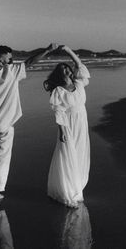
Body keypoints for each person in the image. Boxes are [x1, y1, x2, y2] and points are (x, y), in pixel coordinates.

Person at [0, 43, 58, 200]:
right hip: (5, 124)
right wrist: (48, 50)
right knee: (3, 157)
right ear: (1, 57)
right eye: (9, 57)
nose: (12, 59)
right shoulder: (10, 72)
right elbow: (30, 62)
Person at [44, 45, 90, 208]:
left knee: (80, 154)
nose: (66, 70)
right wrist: (62, 130)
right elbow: (59, 112)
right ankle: (68, 192)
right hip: (69, 124)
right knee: (68, 154)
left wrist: (69, 51)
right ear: (59, 74)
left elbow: (81, 67)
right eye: (62, 69)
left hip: (81, 123)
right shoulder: (58, 91)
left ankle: (77, 189)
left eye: (67, 68)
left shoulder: (79, 82)